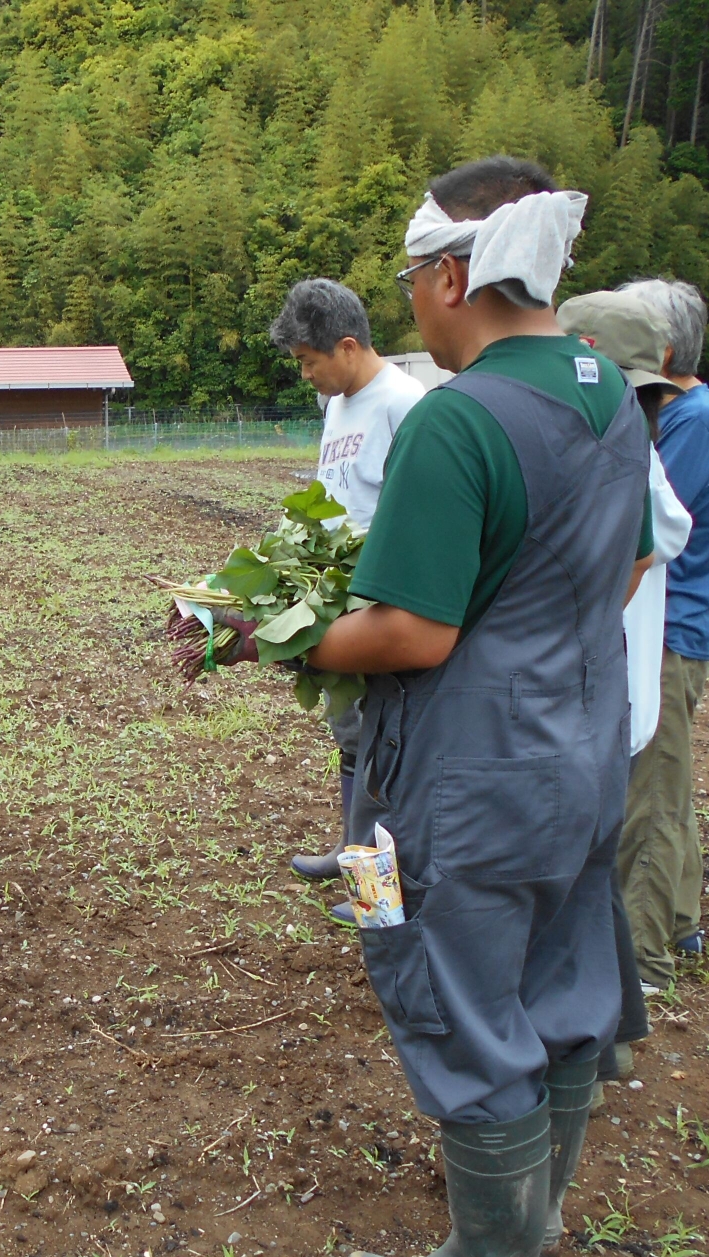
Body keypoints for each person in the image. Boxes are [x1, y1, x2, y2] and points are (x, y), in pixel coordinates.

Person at [222, 156, 654, 1257]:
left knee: (447, 988)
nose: (409, 296)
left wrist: (284, 640)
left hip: (457, 780)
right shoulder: (609, 392)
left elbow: (410, 628)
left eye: (416, 273)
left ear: (456, 274)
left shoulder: (459, 421)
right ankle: (537, 1214)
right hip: (581, 753)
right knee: (563, 982)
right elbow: (631, 562)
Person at [557, 289, 698, 1095]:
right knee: (590, 878)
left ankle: (595, 1049)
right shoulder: (637, 455)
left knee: (582, 885)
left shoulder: (614, 459)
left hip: (599, 702)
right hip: (617, 699)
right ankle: (610, 1041)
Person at [267, 279, 424, 901]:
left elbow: (411, 514)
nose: (305, 374)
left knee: (388, 741)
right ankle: (350, 851)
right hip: (334, 595)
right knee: (351, 732)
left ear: (348, 346)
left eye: (309, 361)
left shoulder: (405, 403)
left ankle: (381, 887)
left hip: (381, 601)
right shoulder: (336, 406)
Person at [613, 278, 709, 987]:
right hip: (675, 625)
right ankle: (681, 923)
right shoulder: (699, 410)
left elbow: (655, 526)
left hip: (666, 626)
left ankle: (644, 960)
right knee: (669, 783)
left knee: (650, 797)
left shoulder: (688, 419)